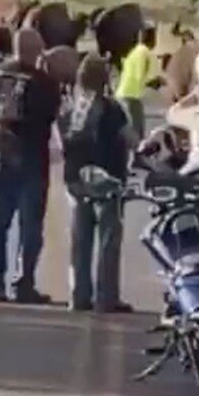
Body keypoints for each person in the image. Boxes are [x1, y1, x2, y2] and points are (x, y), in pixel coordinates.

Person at [0, 28, 62, 304]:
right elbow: (53, 116)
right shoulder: (45, 82)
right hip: (32, 154)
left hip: (2, 148)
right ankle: (23, 282)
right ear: (35, 51)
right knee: (30, 224)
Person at [61, 54, 139, 313]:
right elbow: (129, 139)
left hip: (76, 180)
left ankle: (78, 295)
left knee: (79, 241)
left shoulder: (72, 109)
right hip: (108, 180)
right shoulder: (112, 109)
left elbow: (63, 142)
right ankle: (107, 298)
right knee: (108, 241)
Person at [114, 25, 157, 139]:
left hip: (124, 94)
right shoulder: (144, 52)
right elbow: (140, 76)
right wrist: (157, 82)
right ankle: (137, 155)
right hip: (131, 95)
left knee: (133, 130)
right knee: (137, 131)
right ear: (152, 38)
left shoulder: (135, 50)